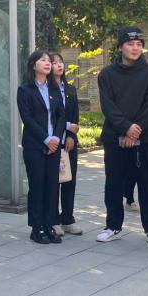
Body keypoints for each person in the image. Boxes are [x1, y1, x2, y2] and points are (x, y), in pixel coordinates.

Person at [96, 26, 148, 246]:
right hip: (115, 137)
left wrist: (135, 131)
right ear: (120, 47)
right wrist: (125, 128)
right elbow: (108, 106)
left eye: (139, 44)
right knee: (114, 184)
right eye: (130, 44)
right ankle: (113, 226)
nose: (135, 48)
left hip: (145, 138)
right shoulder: (107, 74)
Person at [18, 51, 65, 244]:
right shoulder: (25, 90)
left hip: (54, 145)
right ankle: (36, 228)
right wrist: (46, 139)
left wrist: (56, 138)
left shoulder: (54, 88)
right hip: (35, 146)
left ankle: (49, 225)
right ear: (33, 65)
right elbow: (27, 118)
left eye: (49, 61)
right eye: (43, 60)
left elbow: (61, 116)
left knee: (52, 187)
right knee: (37, 186)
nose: (48, 63)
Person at [50, 52, 82, 236]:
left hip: (69, 143)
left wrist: (71, 135)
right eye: (54, 62)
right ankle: (54, 220)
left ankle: (68, 219)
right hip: (53, 142)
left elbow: (75, 116)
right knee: (54, 183)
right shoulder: (47, 89)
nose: (59, 65)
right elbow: (51, 118)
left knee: (69, 181)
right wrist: (67, 127)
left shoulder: (70, 89)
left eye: (60, 62)